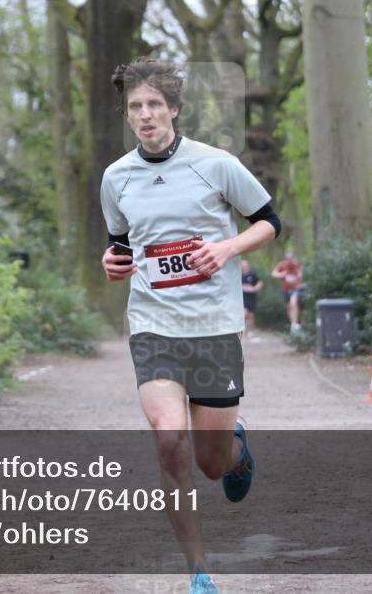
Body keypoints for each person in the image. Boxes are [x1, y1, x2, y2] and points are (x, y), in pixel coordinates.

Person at [100, 58, 281, 594]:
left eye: (155, 104)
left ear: (174, 109)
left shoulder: (216, 164)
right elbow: (120, 246)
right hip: (153, 324)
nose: (146, 115)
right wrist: (111, 263)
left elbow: (270, 222)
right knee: (169, 442)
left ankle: (236, 450)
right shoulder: (116, 177)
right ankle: (199, 572)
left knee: (210, 463)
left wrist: (227, 248)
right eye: (136, 106)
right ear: (127, 114)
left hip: (214, 326)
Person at [271, 251, 303, 333]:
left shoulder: (297, 264)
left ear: (293, 258)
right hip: (285, 289)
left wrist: (300, 275)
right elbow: (273, 273)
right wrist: (281, 274)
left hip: (296, 289)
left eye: (291, 259)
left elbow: (301, 274)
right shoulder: (282, 265)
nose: (289, 261)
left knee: (293, 303)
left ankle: (295, 325)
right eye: (288, 259)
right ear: (285, 259)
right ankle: (293, 324)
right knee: (289, 307)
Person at [241, 260, 263, 333]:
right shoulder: (238, 275)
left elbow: (260, 283)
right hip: (242, 298)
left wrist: (255, 288)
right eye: (242, 264)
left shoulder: (252, 275)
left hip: (251, 297)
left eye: (245, 264)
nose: (243, 266)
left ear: (248, 265)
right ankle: (242, 329)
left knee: (251, 314)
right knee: (244, 312)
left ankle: (251, 330)